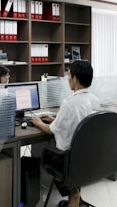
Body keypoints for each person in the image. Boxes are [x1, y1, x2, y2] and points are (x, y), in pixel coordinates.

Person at [28, 60, 98, 207]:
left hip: (67, 158)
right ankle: (76, 194)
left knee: (45, 149)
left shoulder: (69, 102)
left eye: (69, 75)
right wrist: (55, 119)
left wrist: (38, 122)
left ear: (75, 79)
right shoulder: (91, 99)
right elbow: (78, 123)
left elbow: (50, 130)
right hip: (85, 155)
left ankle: (73, 196)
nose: (68, 79)